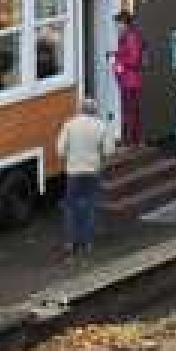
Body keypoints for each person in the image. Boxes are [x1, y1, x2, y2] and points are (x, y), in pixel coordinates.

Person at [56, 98, 115, 252]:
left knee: (71, 207)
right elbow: (109, 151)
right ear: (94, 111)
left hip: (74, 172)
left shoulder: (69, 125)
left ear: (80, 109)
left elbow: (60, 150)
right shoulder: (101, 126)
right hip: (92, 171)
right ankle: (87, 242)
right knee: (89, 205)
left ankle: (71, 241)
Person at [111, 10, 146, 150]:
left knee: (129, 111)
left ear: (124, 24)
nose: (117, 27)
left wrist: (118, 61)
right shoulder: (128, 36)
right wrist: (115, 55)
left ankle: (130, 141)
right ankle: (136, 140)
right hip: (130, 80)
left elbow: (134, 60)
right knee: (133, 111)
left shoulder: (130, 37)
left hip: (130, 80)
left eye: (118, 24)